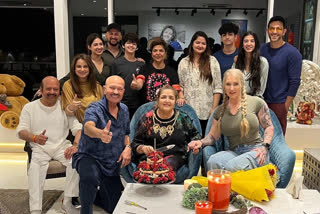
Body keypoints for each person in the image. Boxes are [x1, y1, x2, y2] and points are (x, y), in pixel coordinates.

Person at [16, 76, 82, 214]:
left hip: (61, 146)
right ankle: (35, 209)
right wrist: (34, 137)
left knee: (77, 161)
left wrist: (75, 145)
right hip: (39, 147)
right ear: (41, 90)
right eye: (48, 89)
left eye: (55, 89)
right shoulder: (30, 107)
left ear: (59, 91)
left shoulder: (64, 106)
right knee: (35, 169)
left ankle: (68, 202)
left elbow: (77, 128)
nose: (52, 92)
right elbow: (21, 131)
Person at [188, 69, 274, 172]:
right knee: (213, 162)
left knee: (233, 167)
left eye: (236, 84)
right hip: (234, 152)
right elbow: (212, 136)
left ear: (242, 84)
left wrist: (264, 147)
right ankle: (221, 188)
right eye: (228, 84)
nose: (232, 88)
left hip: (256, 150)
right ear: (224, 86)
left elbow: (269, 126)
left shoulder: (257, 102)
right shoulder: (219, 111)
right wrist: (200, 142)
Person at [72, 76, 131, 214]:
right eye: (112, 88)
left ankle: (97, 197)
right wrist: (100, 134)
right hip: (90, 157)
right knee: (90, 177)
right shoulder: (95, 107)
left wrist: (127, 147)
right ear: (105, 89)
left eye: (119, 89)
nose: (115, 92)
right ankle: (86, 209)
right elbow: (87, 127)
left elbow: (126, 134)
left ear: (123, 91)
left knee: (114, 208)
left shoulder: (124, 109)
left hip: (111, 162)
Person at [123, 85, 201, 183]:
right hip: (149, 158)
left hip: (175, 158)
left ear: (175, 101)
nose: (167, 101)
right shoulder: (147, 118)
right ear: (158, 100)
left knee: (164, 168)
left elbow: (196, 136)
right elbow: (135, 143)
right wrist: (142, 148)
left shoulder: (183, 118)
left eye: (171, 98)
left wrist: (195, 144)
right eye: (163, 97)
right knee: (146, 172)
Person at [260, 16, 302, 135]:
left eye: (278, 29)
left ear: (284, 31)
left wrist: (285, 106)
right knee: (259, 140)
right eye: (272, 28)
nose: (274, 32)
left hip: (279, 103)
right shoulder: (261, 49)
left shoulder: (293, 54)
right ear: (267, 30)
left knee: (276, 140)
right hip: (260, 101)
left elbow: (295, 82)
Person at [178, 31, 222, 137]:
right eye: (198, 42)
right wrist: (181, 97)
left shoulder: (213, 61)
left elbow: (218, 87)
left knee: (205, 141)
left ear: (206, 46)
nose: (200, 46)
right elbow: (181, 86)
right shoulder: (184, 62)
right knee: (190, 142)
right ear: (192, 43)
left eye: (203, 43)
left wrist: (214, 109)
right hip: (189, 111)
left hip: (207, 112)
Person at [131, 37, 182, 103]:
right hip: (147, 110)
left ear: (165, 53)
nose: (158, 53)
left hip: (165, 109)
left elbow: (177, 90)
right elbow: (139, 82)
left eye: (161, 51)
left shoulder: (172, 72)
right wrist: (136, 85)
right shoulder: (144, 69)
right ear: (151, 53)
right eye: (155, 50)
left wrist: (181, 97)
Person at [61, 54, 104, 123]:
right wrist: (71, 108)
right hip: (77, 127)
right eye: (78, 66)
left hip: (97, 125)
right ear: (74, 69)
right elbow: (67, 113)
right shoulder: (68, 85)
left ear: (90, 68)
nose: (82, 69)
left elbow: (103, 109)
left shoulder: (97, 86)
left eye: (85, 66)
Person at [111, 33, 145, 118]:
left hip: (138, 104)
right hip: (120, 104)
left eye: (134, 44)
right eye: (128, 43)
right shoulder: (117, 63)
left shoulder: (141, 64)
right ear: (123, 45)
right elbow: (112, 83)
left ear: (137, 47)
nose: (131, 46)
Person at [233, 31, 269, 98]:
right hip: (237, 100)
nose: (249, 44)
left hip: (255, 102)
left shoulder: (263, 62)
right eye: (246, 41)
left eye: (252, 41)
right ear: (242, 45)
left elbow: (260, 90)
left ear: (256, 44)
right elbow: (232, 83)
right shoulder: (237, 61)